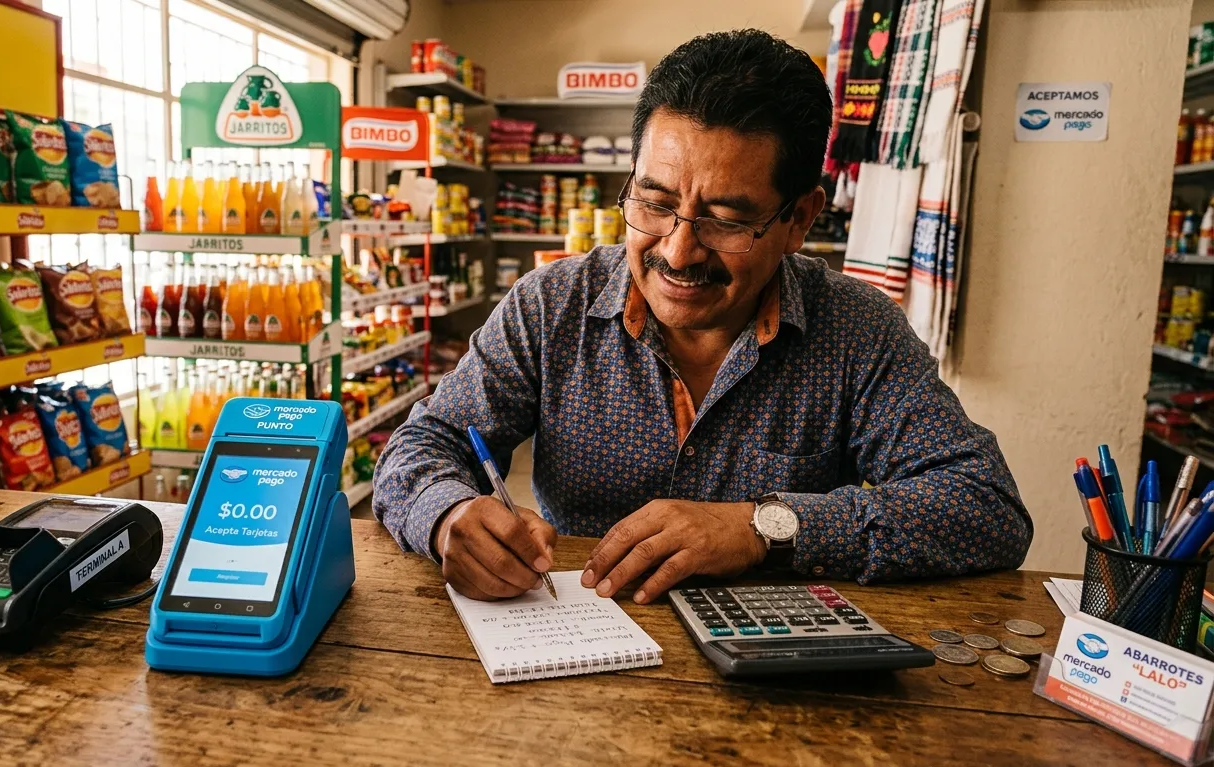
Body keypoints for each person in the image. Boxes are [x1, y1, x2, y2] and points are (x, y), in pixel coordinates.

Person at [373, 29, 1031, 603]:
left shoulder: (855, 329)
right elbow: (421, 446)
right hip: (570, 655)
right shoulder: (553, 306)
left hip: (778, 685)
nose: (678, 252)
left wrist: (762, 526)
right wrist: (449, 516)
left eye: (726, 219)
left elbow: (986, 506)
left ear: (799, 218)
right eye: (654, 203)